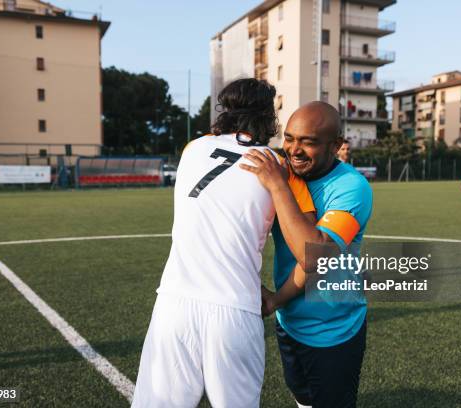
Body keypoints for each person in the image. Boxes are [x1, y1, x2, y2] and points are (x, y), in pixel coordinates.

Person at [131, 79, 315, 408]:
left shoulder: (193, 148)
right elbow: (313, 253)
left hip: (174, 305)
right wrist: (275, 298)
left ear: (226, 111)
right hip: (235, 309)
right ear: (267, 116)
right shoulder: (279, 167)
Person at [241, 101, 373, 408]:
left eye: (308, 142)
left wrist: (277, 186)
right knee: (300, 392)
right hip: (290, 321)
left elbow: (314, 258)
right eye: (289, 138)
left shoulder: (352, 187)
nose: (294, 150)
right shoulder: (284, 170)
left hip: (334, 328)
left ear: (337, 146)